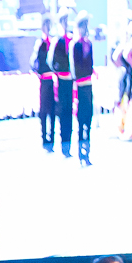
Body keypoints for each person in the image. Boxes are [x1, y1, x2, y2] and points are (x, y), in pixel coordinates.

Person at [71, 20, 97, 166]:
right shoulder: (76, 45)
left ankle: (87, 151)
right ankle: (81, 152)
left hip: (88, 86)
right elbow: (76, 68)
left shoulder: (89, 44)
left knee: (88, 119)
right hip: (80, 86)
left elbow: (90, 64)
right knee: (81, 121)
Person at [52, 15, 77, 158]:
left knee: (69, 111)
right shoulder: (58, 41)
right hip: (62, 80)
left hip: (70, 81)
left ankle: (69, 144)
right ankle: (64, 145)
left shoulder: (72, 40)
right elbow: (52, 61)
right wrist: (59, 70)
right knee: (63, 112)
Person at [33, 18, 58, 153]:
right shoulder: (40, 44)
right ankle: (44, 137)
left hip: (52, 80)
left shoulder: (53, 43)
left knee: (52, 110)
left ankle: (52, 137)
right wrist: (38, 72)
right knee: (43, 110)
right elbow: (34, 62)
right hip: (44, 80)